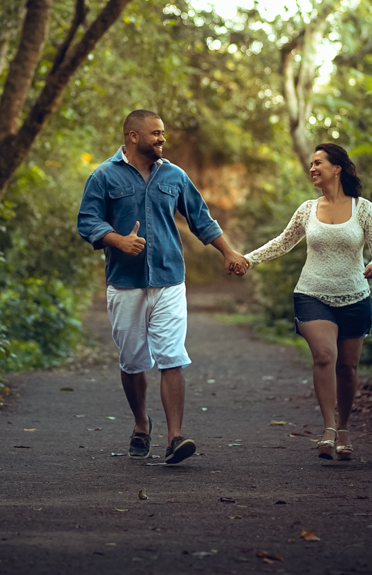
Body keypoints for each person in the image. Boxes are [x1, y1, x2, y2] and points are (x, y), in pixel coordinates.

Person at [77, 110, 248, 465]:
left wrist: (229, 252)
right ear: (132, 136)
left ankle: (175, 438)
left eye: (163, 133)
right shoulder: (103, 175)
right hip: (125, 282)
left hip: (169, 278)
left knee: (172, 356)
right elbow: (87, 220)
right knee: (132, 361)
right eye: (155, 133)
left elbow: (201, 219)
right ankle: (141, 424)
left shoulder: (175, 175)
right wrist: (118, 240)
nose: (162, 138)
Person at [237, 143, 372, 461]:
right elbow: (283, 242)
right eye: (310, 164)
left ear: (337, 168)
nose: (312, 168)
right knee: (324, 355)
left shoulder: (363, 208)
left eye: (318, 163)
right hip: (311, 294)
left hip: (355, 296)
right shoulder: (307, 209)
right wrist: (249, 259)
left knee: (347, 367)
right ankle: (329, 428)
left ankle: (344, 429)